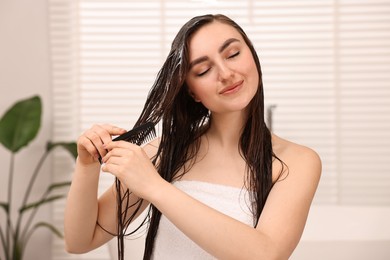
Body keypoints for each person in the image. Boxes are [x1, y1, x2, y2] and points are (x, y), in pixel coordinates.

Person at [64, 14, 321, 260]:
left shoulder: (297, 161)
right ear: (192, 91)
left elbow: (266, 254)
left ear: (252, 54)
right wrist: (87, 166)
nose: (226, 73)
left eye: (233, 54)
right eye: (203, 70)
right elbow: (80, 241)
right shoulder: (164, 153)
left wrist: (154, 186)